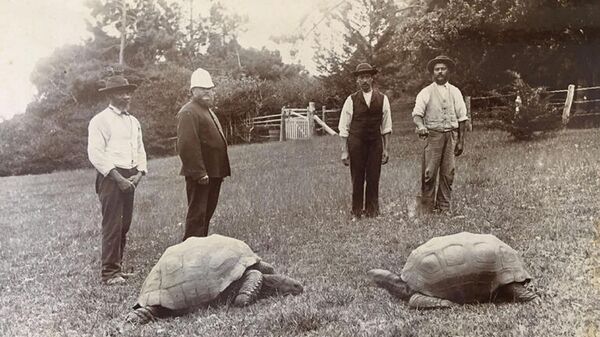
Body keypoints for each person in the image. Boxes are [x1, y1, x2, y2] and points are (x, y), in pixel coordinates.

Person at [88, 75, 147, 285]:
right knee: (112, 225)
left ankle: (118, 268)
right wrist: (118, 178)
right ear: (111, 95)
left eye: (129, 92)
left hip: (130, 176)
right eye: (123, 92)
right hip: (110, 178)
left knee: (124, 224)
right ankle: (109, 273)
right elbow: (96, 154)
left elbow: (140, 149)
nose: (128, 95)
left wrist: (139, 173)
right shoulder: (100, 121)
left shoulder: (133, 121)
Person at [176, 68, 230, 240]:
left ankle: (201, 251)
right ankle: (190, 255)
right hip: (201, 175)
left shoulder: (206, 110)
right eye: (202, 88)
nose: (208, 92)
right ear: (193, 91)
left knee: (205, 215)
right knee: (197, 217)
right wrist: (199, 173)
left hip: (214, 172)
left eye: (210, 88)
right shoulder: (188, 112)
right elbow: (186, 145)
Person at [412, 55, 468, 214]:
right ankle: (427, 208)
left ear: (448, 71)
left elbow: (462, 118)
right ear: (432, 73)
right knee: (429, 173)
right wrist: (421, 125)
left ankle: (444, 208)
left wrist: (461, 141)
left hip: (450, 136)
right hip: (433, 136)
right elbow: (417, 114)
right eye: (437, 69)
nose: (440, 72)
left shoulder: (455, 92)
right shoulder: (426, 92)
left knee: (448, 172)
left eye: (443, 69)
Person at [338, 63, 392, 219]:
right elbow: (344, 126)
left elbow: (387, 126)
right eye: (361, 77)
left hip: (375, 143)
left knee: (373, 177)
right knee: (357, 177)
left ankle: (372, 211)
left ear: (372, 78)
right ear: (357, 80)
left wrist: (386, 149)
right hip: (356, 142)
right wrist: (344, 150)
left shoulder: (382, 99)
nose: (364, 80)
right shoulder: (351, 100)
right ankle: (356, 212)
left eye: (367, 77)